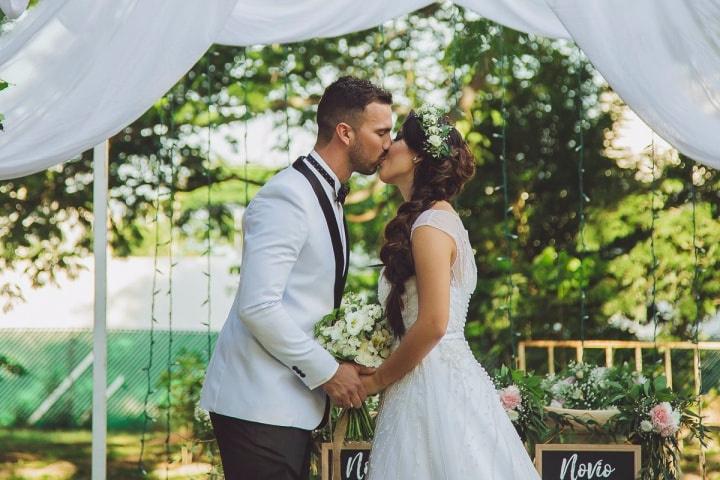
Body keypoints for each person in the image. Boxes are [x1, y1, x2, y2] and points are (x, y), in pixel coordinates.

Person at [200, 76, 393, 480]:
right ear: (344, 132)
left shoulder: (330, 195)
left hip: (289, 407)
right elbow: (259, 306)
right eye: (381, 132)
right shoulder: (286, 195)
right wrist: (327, 371)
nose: (388, 143)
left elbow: (306, 302)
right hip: (258, 405)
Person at [363, 106, 541, 479]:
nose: (386, 147)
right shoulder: (429, 220)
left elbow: (432, 323)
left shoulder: (430, 225)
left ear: (417, 155)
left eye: (395, 139)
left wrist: (376, 380)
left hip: (433, 386)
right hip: (419, 379)